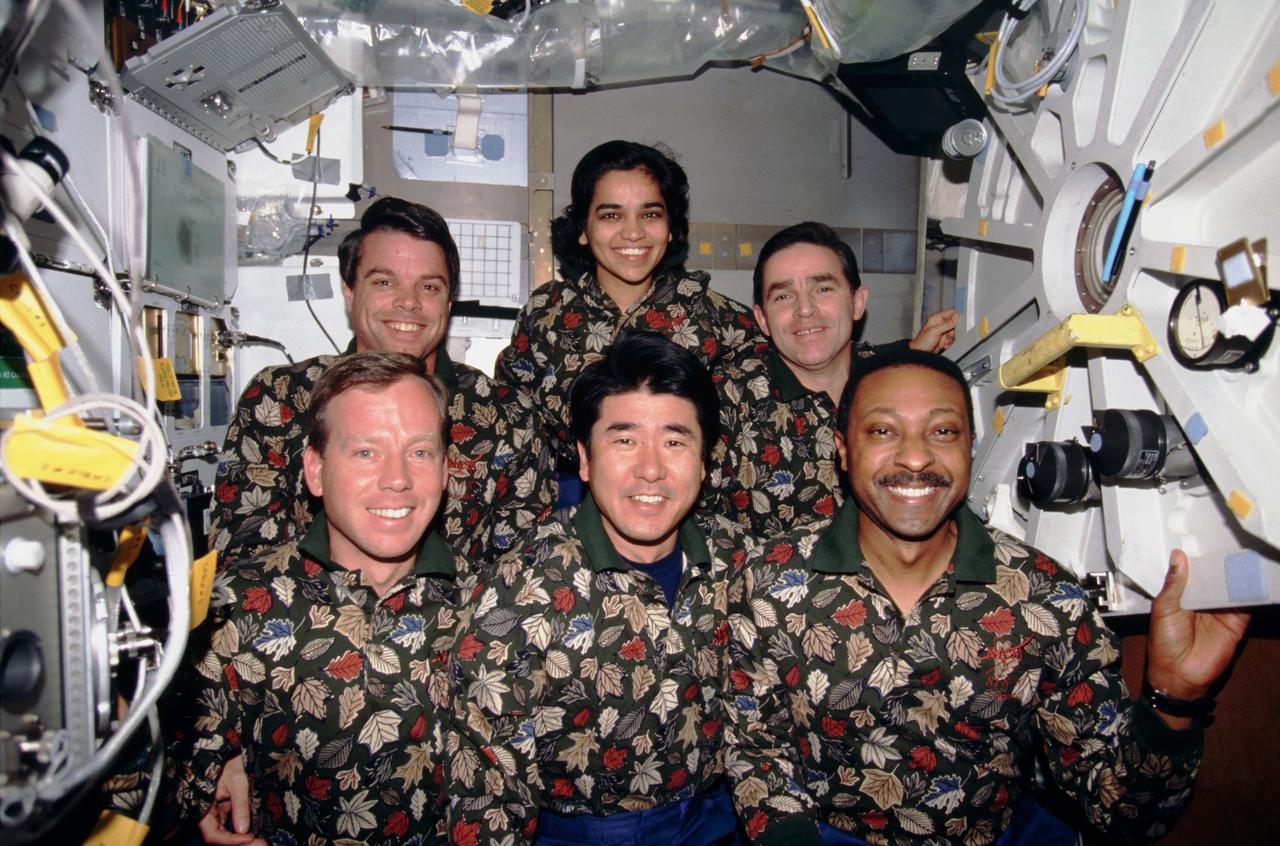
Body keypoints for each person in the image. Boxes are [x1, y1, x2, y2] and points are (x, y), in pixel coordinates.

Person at [726, 348, 1249, 845]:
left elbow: (1123, 812)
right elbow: (757, 755)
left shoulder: (1047, 599)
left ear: (969, 446)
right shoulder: (769, 584)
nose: (913, 457)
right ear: (843, 449)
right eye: (883, 430)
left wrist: (1174, 697)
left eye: (943, 431)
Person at [448, 331, 753, 845]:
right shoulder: (521, 589)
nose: (651, 469)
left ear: (705, 462)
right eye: (624, 439)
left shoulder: (742, 564)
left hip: (718, 823)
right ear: (585, 460)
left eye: (675, 441)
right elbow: (488, 790)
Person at [169, 352, 476, 844]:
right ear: (314, 470)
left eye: (419, 452)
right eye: (365, 452)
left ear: (445, 470)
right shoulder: (240, 606)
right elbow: (156, 792)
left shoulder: (489, 611)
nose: (397, 479)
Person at [208, 196, 546, 567]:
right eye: (385, 282)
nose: (408, 302)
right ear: (350, 293)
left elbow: (521, 570)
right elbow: (241, 561)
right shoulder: (279, 401)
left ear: (448, 303)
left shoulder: (507, 416)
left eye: (429, 287)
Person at [494, 140, 761, 506]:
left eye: (650, 214)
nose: (632, 232)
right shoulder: (546, 315)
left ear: (670, 228)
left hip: (692, 517)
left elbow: (748, 446)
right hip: (566, 517)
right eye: (611, 215)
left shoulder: (723, 321)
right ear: (583, 229)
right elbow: (513, 431)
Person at [708, 221, 957, 537]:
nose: (805, 310)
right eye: (784, 296)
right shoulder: (724, 404)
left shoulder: (898, 385)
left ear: (857, 303)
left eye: (823, 289)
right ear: (762, 319)